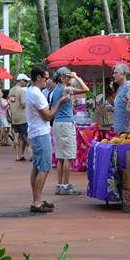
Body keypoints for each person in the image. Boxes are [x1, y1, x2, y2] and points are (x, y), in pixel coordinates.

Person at [25, 66, 69, 212]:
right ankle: (37, 201)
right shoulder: (36, 94)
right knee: (44, 167)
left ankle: (36, 198)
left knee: (37, 166)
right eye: (45, 78)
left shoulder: (30, 91)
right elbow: (48, 116)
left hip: (35, 132)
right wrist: (60, 103)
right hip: (40, 133)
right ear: (38, 78)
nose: (47, 81)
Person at [52, 67, 89, 195]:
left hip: (57, 123)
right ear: (62, 77)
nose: (70, 78)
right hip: (66, 124)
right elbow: (85, 89)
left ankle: (60, 185)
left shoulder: (55, 90)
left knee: (61, 157)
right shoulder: (66, 88)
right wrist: (77, 76)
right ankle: (66, 185)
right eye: (67, 76)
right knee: (68, 156)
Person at [9, 73, 29, 161]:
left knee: (16, 136)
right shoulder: (21, 91)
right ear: (21, 81)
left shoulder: (11, 90)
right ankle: (32, 153)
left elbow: (11, 102)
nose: (26, 82)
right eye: (25, 81)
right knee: (26, 136)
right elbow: (23, 104)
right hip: (22, 116)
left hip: (14, 116)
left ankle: (18, 155)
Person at [111, 63, 130, 133]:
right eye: (113, 73)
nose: (113, 75)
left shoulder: (129, 88)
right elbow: (123, 106)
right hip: (119, 129)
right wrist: (112, 109)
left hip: (126, 131)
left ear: (124, 74)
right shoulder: (120, 88)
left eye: (116, 73)